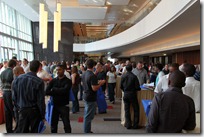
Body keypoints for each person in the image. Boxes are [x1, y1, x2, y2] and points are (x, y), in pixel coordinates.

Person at [12, 60, 45, 133]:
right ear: (39, 68)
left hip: (22, 109)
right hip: (34, 111)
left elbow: (14, 97)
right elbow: (40, 101)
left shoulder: (17, 79)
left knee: (22, 131)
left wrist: (18, 108)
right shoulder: (39, 82)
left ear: (29, 67)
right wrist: (42, 115)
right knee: (34, 131)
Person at [45, 64, 72, 133]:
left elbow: (65, 91)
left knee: (66, 124)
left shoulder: (68, 81)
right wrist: (58, 91)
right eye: (57, 70)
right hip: (54, 105)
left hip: (64, 105)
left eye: (59, 70)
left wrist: (54, 90)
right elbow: (47, 92)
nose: (58, 71)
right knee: (53, 124)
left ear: (63, 70)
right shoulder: (53, 81)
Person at [82, 59, 105, 133]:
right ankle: (87, 131)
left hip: (86, 94)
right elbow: (94, 88)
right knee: (88, 116)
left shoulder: (84, 73)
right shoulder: (92, 75)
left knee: (87, 114)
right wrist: (100, 84)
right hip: (90, 97)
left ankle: (87, 130)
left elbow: (86, 83)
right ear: (94, 66)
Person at [120, 64, 141, 129]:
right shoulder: (134, 76)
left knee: (127, 110)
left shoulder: (123, 76)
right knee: (136, 109)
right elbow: (138, 87)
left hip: (126, 94)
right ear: (132, 69)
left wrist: (125, 90)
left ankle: (128, 124)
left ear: (126, 69)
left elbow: (121, 86)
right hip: (132, 94)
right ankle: (135, 124)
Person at [0, 59, 16, 133]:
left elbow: (1, 84)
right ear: (14, 65)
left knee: (7, 112)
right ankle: (18, 128)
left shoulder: (2, 72)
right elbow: (15, 84)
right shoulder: (13, 72)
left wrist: (2, 91)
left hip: (4, 93)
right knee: (14, 110)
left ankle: (8, 129)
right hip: (11, 93)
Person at [12, 66, 25, 131]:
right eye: (22, 71)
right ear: (17, 73)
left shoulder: (14, 81)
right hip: (21, 107)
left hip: (18, 107)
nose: (24, 72)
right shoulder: (18, 81)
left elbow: (14, 97)